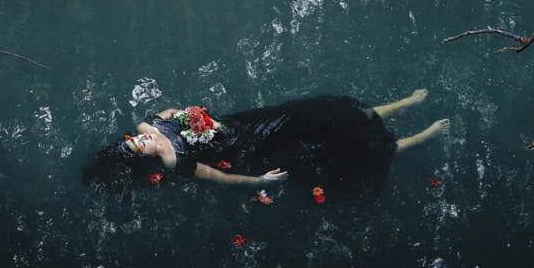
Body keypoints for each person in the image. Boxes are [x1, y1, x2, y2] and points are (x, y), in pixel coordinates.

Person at [82, 90, 449, 196]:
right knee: (333, 141)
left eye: (133, 140)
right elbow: (217, 176)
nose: (141, 139)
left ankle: (395, 106)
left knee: (320, 108)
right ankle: (413, 139)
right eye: (139, 146)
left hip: (244, 122)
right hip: (253, 142)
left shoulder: (149, 126)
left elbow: (164, 116)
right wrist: (260, 182)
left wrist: (162, 126)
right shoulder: (174, 160)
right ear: (146, 158)